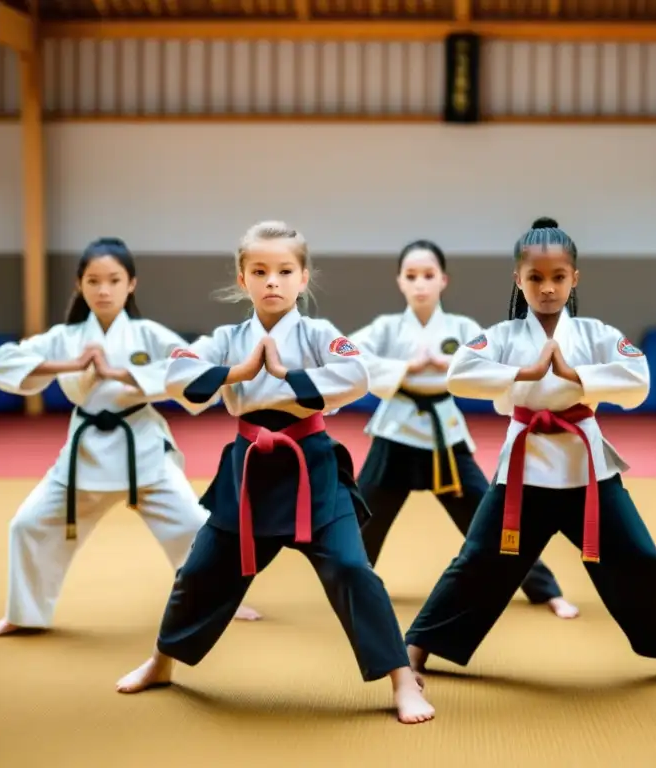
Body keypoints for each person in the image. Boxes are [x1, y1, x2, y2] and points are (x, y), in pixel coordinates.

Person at [115, 221, 434, 725]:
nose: (272, 281)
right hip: (249, 471)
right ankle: (163, 661)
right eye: (259, 271)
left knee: (353, 569)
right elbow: (176, 375)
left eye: (285, 271)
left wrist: (286, 376)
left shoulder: (320, 334)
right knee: (200, 572)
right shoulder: (227, 338)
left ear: (303, 278)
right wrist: (240, 372)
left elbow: (356, 376)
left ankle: (400, 679)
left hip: (312, 467)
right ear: (242, 279)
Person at [403, 217, 656, 689]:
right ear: (518, 280)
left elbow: (639, 380)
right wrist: (524, 372)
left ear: (574, 278)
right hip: (523, 470)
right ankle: (417, 646)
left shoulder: (595, 333)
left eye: (558, 277)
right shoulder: (503, 336)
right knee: (480, 560)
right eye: (536, 278)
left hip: (587, 469)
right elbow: (459, 375)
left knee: (642, 560)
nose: (547, 289)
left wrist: (576, 377)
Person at [0, 237, 259, 639]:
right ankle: (23, 614)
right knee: (28, 524)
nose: (103, 289)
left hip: (141, 445)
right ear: (80, 285)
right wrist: (72, 364)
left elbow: (191, 368)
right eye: (93, 280)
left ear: (131, 284)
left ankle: (222, 602)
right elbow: (2, 362)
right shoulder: (66, 336)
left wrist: (122, 374)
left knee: (196, 524)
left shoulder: (148, 333)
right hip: (84, 453)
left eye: (114, 279)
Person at [352, 239, 578, 620]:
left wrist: (450, 364)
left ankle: (545, 590)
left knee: (491, 519)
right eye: (411, 276)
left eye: (428, 275)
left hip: (446, 435)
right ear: (400, 282)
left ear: (443, 280)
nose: (420, 283)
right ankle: (353, 588)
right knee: (364, 520)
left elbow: (491, 363)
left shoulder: (461, 328)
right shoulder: (386, 328)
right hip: (396, 432)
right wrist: (404, 366)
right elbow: (351, 357)